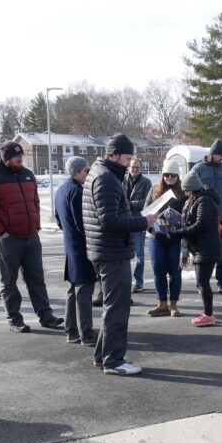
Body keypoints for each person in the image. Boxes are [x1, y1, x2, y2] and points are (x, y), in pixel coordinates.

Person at [82, 133, 157, 375]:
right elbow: (110, 221)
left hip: (106, 250)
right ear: (114, 154)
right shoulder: (106, 179)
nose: (128, 163)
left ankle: (103, 357)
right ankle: (114, 361)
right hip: (111, 252)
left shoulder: (100, 173)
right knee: (117, 308)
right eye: (126, 158)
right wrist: (143, 222)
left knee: (113, 306)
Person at [0, 140, 63, 333]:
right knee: (9, 281)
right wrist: (1, 232)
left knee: (36, 278)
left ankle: (45, 315)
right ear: (6, 158)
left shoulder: (27, 174)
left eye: (22, 155)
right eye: (17, 156)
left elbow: (35, 201)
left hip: (30, 236)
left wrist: (36, 225)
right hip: (8, 239)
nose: (21, 159)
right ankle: (15, 318)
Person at [55, 156, 96, 345]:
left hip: (70, 247)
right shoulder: (77, 192)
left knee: (73, 290)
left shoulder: (61, 190)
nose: (88, 174)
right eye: (87, 171)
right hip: (82, 248)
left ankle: (71, 331)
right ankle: (86, 333)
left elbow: (58, 220)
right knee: (84, 291)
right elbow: (83, 224)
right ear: (78, 171)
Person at [184, 139, 222, 292]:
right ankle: (201, 283)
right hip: (204, 217)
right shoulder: (199, 168)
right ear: (212, 154)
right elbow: (189, 188)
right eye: (220, 155)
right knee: (202, 252)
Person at [145, 159, 186, 317]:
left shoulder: (182, 192)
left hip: (175, 239)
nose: (169, 178)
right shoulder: (155, 190)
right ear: (162, 175)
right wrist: (151, 225)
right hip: (157, 238)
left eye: (173, 175)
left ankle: (173, 304)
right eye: (166, 175)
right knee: (158, 271)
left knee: (175, 272)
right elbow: (146, 210)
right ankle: (162, 303)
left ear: (178, 176)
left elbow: (188, 213)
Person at [180, 173, 222, 326]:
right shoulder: (194, 200)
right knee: (201, 282)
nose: (185, 193)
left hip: (207, 247)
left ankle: (208, 315)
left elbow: (201, 224)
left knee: (202, 282)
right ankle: (208, 313)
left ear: (193, 189)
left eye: (187, 190)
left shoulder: (205, 201)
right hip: (201, 247)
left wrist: (180, 232)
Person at [124, 156, 152, 293]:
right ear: (129, 167)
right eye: (132, 167)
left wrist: (129, 205)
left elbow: (147, 202)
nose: (134, 169)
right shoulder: (121, 180)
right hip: (122, 222)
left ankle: (138, 282)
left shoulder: (146, 182)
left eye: (137, 167)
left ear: (140, 168)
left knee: (139, 255)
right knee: (122, 255)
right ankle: (124, 282)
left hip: (138, 222)